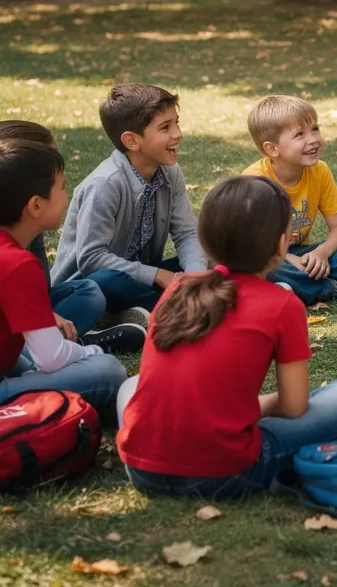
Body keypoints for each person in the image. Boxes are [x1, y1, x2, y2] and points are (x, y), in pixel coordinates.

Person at [116, 176, 337, 499]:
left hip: (143, 470)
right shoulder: (284, 305)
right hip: (225, 474)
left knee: (132, 385)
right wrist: (254, 406)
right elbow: (294, 407)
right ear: (282, 245)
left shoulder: (177, 288)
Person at [51, 84, 208, 323]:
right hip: (88, 287)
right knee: (107, 281)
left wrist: (195, 276)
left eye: (176, 122)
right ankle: (187, 310)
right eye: (165, 127)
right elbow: (92, 259)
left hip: (141, 279)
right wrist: (159, 275)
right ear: (132, 141)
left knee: (212, 254)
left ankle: (152, 310)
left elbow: (186, 233)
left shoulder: (170, 172)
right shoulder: (105, 184)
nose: (177, 133)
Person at [0, 136, 129, 409]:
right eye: (62, 188)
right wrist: (90, 353)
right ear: (35, 205)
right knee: (107, 370)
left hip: (8, 359)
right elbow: (51, 359)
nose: (66, 195)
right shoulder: (17, 263)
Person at [0, 120, 143, 354]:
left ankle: (67, 346)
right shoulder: (14, 254)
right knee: (107, 372)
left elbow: (42, 290)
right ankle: (76, 347)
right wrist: (41, 319)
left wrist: (44, 314)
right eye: (50, 159)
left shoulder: (27, 225)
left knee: (90, 292)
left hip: (28, 310)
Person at [242, 96, 337, 303]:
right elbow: (249, 245)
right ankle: (335, 289)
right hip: (267, 256)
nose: (313, 139)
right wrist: (289, 259)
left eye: (315, 129)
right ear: (272, 148)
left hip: (305, 255)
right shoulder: (254, 180)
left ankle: (292, 288)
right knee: (262, 264)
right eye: (300, 134)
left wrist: (321, 254)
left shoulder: (320, 171)